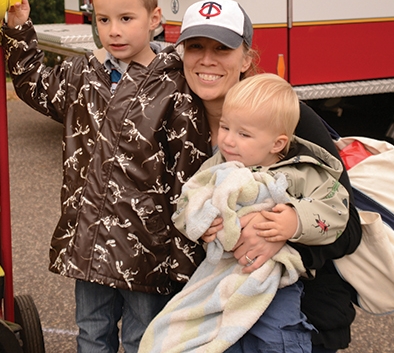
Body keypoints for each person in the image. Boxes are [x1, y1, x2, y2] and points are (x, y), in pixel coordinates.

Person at [1, 0, 212, 353]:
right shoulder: (83, 76)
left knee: (140, 339)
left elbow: (189, 177)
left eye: (126, 18)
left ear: (154, 19)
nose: (113, 31)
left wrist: (185, 261)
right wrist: (18, 28)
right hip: (90, 243)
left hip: (146, 252)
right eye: (102, 20)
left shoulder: (175, 89)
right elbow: (33, 84)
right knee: (91, 335)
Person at [176, 0, 362, 353]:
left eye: (222, 48)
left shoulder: (287, 116)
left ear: (247, 58)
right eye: (195, 46)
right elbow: (178, 209)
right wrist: (202, 225)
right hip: (213, 293)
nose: (207, 59)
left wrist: (284, 233)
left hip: (297, 295)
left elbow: (348, 226)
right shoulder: (176, 122)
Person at [140, 73, 349, 353]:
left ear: (277, 144)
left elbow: (336, 210)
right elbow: (188, 200)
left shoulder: (300, 171)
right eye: (225, 128)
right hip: (220, 274)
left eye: (244, 134)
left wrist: (295, 219)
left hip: (276, 281)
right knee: (192, 331)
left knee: (277, 334)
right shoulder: (218, 167)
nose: (228, 141)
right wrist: (201, 222)